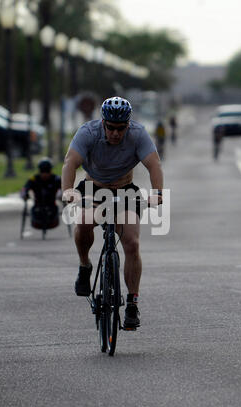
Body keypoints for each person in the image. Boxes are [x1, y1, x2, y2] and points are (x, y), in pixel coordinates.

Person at [62, 96, 164, 330]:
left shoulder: (138, 134)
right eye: (111, 128)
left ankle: (132, 303)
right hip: (93, 187)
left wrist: (158, 193)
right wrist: (68, 191)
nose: (116, 133)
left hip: (124, 190)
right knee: (85, 221)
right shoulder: (88, 132)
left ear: (128, 124)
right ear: (103, 122)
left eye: (121, 128)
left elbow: (154, 164)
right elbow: (70, 163)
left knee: (132, 243)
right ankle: (84, 265)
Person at [21, 157, 61, 229]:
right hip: (37, 206)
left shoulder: (56, 179)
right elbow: (25, 188)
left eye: (47, 171)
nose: (45, 174)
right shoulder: (34, 179)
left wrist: (62, 194)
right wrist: (24, 195)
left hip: (52, 206)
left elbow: (64, 188)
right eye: (43, 171)